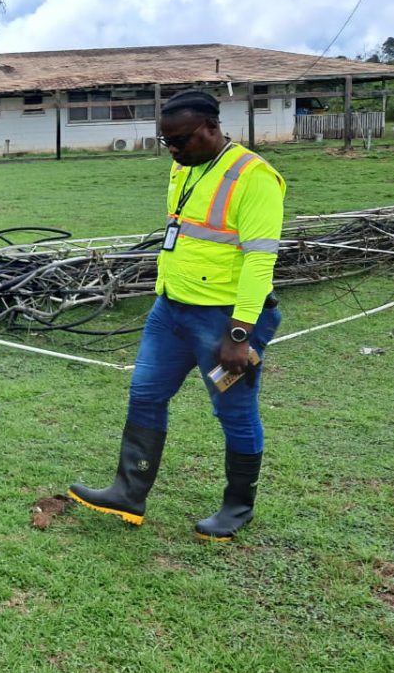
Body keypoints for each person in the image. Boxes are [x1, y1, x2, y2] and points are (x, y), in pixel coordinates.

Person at [68, 90, 285, 541]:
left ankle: (238, 506)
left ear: (211, 127)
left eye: (181, 140)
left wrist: (240, 332)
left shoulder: (254, 177)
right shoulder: (184, 165)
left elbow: (260, 261)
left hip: (225, 321)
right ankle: (129, 493)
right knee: (145, 394)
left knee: (234, 411)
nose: (172, 149)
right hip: (170, 310)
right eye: (166, 140)